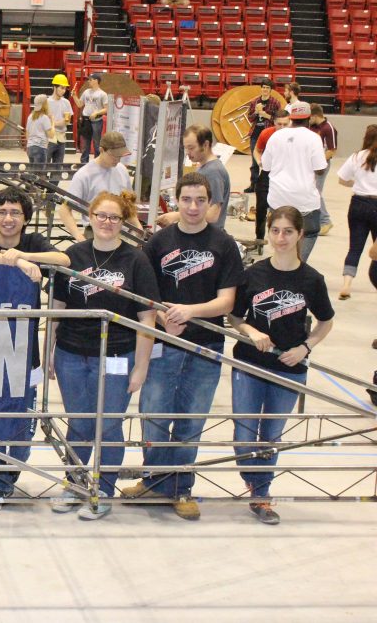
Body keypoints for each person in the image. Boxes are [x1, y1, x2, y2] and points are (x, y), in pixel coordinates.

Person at [121, 172, 243, 520]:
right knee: (155, 415)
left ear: (210, 204)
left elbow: (227, 301)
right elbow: (146, 293)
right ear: (176, 201)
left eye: (200, 200)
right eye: (186, 199)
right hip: (164, 344)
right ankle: (154, 481)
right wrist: (163, 321)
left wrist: (190, 312)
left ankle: (180, 488)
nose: (192, 207)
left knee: (191, 420)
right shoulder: (158, 243)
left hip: (205, 347)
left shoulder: (224, 244)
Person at [49, 190, 159, 519]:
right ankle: (75, 484)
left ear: (123, 222)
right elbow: (56, 309)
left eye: (114, 218)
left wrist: (140, 366)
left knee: (109, 425)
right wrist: (50, 352)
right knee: (79, 422)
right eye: (101, 216)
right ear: (90, 218)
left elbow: (147, 318)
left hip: (116, 356)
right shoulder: (74, 255)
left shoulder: (136, 260)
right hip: (71, 354)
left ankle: (103, 489)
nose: (107, 223)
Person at [228, 206, 334, 525]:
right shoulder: (253, 275)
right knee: (245, 434)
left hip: (288, 369)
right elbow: (234, 317)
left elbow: (326, 322)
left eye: (288, 231)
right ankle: (253, 477)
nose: (281, 237)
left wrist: (305, 347)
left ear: (300, 234)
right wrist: (251, 330)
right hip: (250, 364)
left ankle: (261, 494)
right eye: (275, 230)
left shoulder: (312, 280)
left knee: (270, 434)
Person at [0, 186, 69, 509]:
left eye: (15, 213)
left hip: (27, 354)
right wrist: (9, 260)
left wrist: (25, 257)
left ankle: (6, 477)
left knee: (24, 421)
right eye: (2, 213)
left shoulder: (34, 244)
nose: (8, 219)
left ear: (25, 219)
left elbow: (63, 258)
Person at [260, 100, 327, 262]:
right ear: (309, 118)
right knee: (309, 233)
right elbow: (320, 169)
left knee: (280, 235)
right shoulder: (313, 138)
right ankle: (298, 266)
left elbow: (266, 166)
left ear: (291, 118)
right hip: (305, 200)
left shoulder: (276, 136)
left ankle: (281, 264)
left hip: (278, 199)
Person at [58, 132, 142, 241]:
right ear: (102, 150)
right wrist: (79, 237)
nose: (117, 159)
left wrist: (137, 225)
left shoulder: (122, 170)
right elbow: (64, 210)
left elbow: (128, 204)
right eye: (114, 156)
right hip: (96, 232)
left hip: (122, 231)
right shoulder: (84, 175)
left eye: (120, 156)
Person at [157, 125, 230, 230]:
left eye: (191, 148)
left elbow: (212, 216)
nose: (187, 153)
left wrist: (177, 215)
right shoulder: (204, 167)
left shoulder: (213, 172)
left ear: (205, 144)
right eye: (185, 148)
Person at [336, 124, 377, 300]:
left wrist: (357, 183)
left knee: (355, 247)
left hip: (358, 203)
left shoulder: (357, 157)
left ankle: (346, 284)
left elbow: (342, 179)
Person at [249, 109, 291, 244]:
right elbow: (257, 150)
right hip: (267, 174)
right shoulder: (266, 133)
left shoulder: (293, 137)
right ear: (274, 123)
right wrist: (259, 161)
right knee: (261, 207)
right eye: (279, 124)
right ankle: (259, 237)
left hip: (286, 175)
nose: (282, 127)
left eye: (285, 124)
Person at [246, 78, 281, 193]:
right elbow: (250, 118)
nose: (265, 90)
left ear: (271, 90)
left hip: (269, 135)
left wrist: (266, 115)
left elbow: (278, 120)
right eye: (263, 87)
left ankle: (267, 185)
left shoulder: (275, 103)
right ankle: (253, 185)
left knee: (269, 161)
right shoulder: (254, 102)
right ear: (261, 89)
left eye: (267, 88)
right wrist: (256, 112)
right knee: (254, 161)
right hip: (255, 133)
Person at [309, 103, 338, 236]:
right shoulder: (313, 127)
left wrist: (319, 163)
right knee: (312, 190)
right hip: (312, 164)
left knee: (316, 192)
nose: (309, 120)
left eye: (310, 117)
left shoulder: (329, 128)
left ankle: (325, 221)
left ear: (315, 115)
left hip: (322, 165)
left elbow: (332, 151)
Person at [75, 73, 108, 163]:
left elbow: (107, 109)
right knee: (86, 143)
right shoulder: (86, 92)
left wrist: (97, 112)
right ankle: (83, 163)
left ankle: (97, 162)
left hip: (97, 120)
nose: (89, 81)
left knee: (97, 143)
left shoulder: (103, 94)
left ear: (96, 81)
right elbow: (79, 104)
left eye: (90, 80)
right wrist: (74, 96)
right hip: (86, 120)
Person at [47, 74, 73, 168]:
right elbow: (44, 122)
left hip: (61, 138)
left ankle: (53, 183)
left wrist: (53, 123)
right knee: (43, 166)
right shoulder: (46, 102)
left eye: (65, 89)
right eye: (61, 88)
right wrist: (58, 122)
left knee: (58, 167)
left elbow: (67, 120)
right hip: (49, 138)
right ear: (55, 87)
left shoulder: (66, 102)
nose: (63, 91)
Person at [25, 93, 55, 167]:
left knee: (32, 174)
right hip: (40, 148)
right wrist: (52, 122)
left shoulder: (30, 116)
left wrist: (30, 144)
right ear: (44, 104)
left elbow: (27, 134)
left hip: (30, 148)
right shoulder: (44, 118)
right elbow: (51, 135)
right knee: (39, 174)